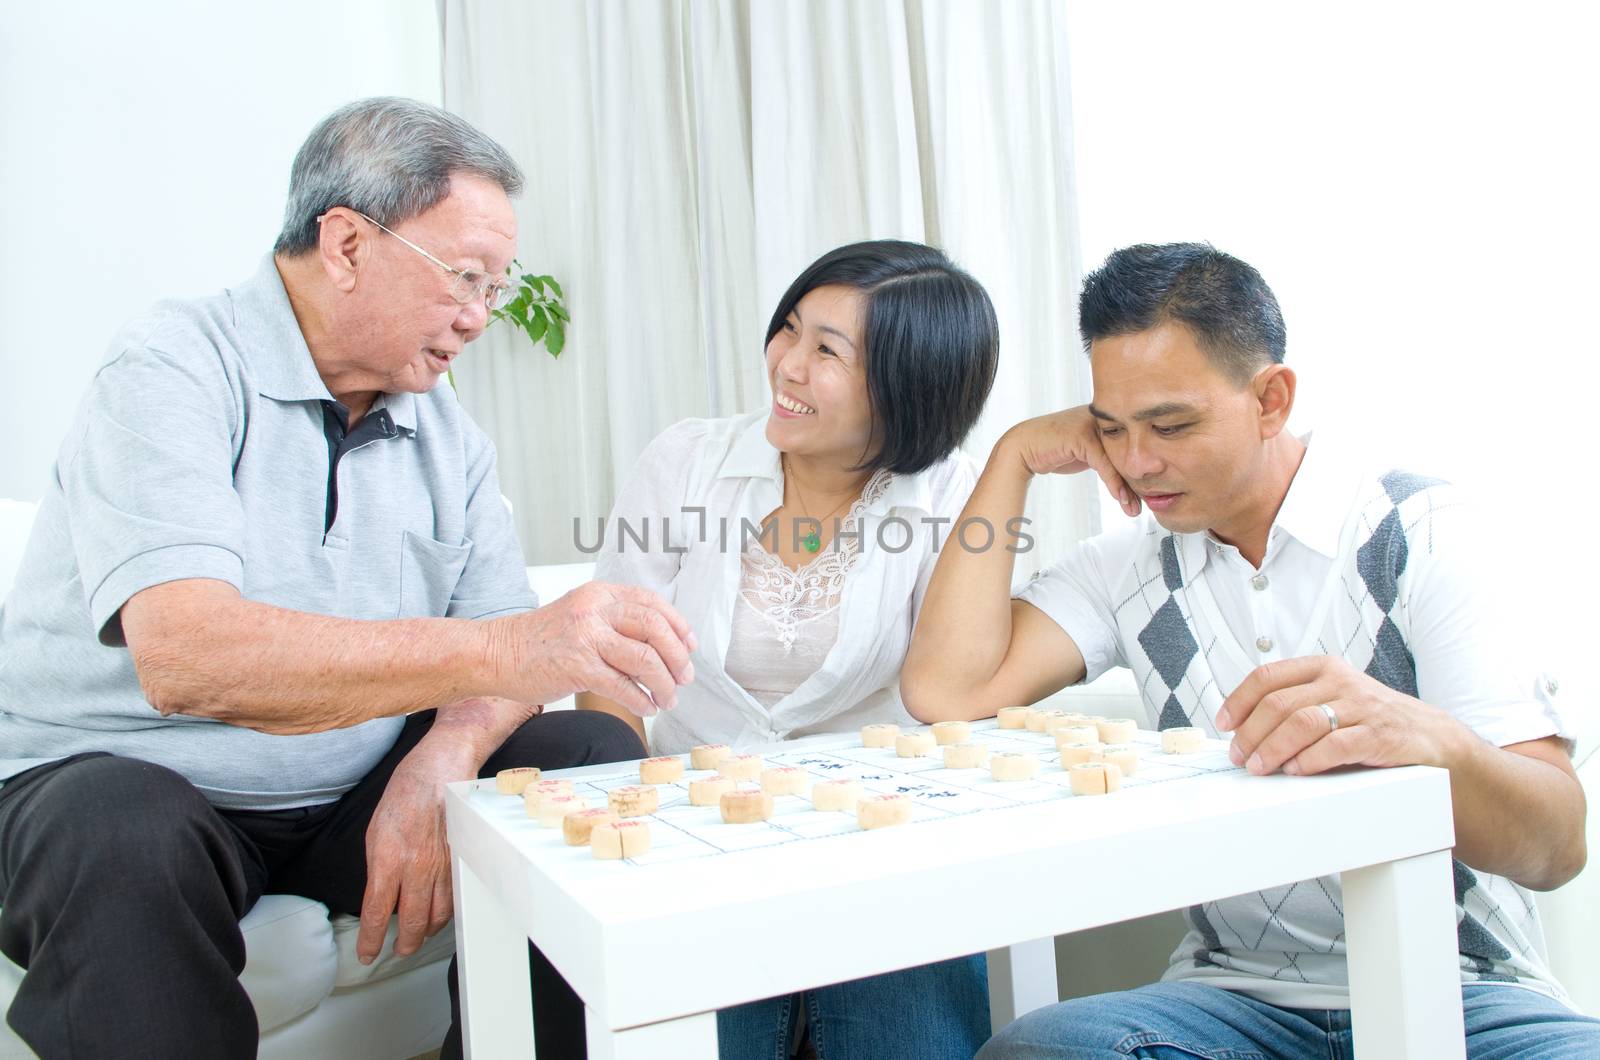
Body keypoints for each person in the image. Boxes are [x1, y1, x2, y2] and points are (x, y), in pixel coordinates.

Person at [0, 97, 694, 1059]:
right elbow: (185, 658)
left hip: (336, 789)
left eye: (497, 286)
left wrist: (440, 759)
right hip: (117, 781)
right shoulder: (173, 366)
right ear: (346, 244)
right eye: (464, 277)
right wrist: (508, 648)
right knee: (126, 829)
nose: (480, 317)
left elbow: (500, 642)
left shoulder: (445, 431)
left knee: (582, 756)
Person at [902, 242, 1600, 1057]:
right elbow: (947, 690)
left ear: (1272, 399)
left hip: (1467, 993)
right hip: (1232, 1001)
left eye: (1171, 425)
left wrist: (1429, 740)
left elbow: (1558, 844)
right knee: (1039, 1049)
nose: (1136, 462)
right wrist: (1014, 455)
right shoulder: (1128, 564)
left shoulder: (1421, 532)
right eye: (1111, 429)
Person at [576, 240, 1000, 1059]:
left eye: (828, 351)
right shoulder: (689, 462)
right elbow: (612, 678)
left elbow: (959, 684)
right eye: (791, 330)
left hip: (881, 841)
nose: (788, 366)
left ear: (907, 389)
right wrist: (634, 856)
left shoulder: (952, 493)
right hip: (693, 837)